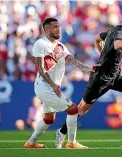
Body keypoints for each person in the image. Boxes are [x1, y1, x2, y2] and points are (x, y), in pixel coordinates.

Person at [58, 6, 122, 147]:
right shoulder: (120, 32)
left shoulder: (114, 30)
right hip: (101, 78)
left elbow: (96, 39)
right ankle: (62, 132)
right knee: (81, 109)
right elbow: (118, 45)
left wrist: (103, 54)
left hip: (115, 74)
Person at [23, 18, 99, 149]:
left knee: (49, 119)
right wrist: (53, 85)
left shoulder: (60, 46)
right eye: (55, 27)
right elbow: (41, 69)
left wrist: (88, 68)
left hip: (50, 87)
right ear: (47, 29)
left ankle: (30, 143)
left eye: (59, 26)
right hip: (44, 86)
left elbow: (72, 60)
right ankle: (71, 143)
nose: (59, 29)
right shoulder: (40, 44)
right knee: (73, 109)